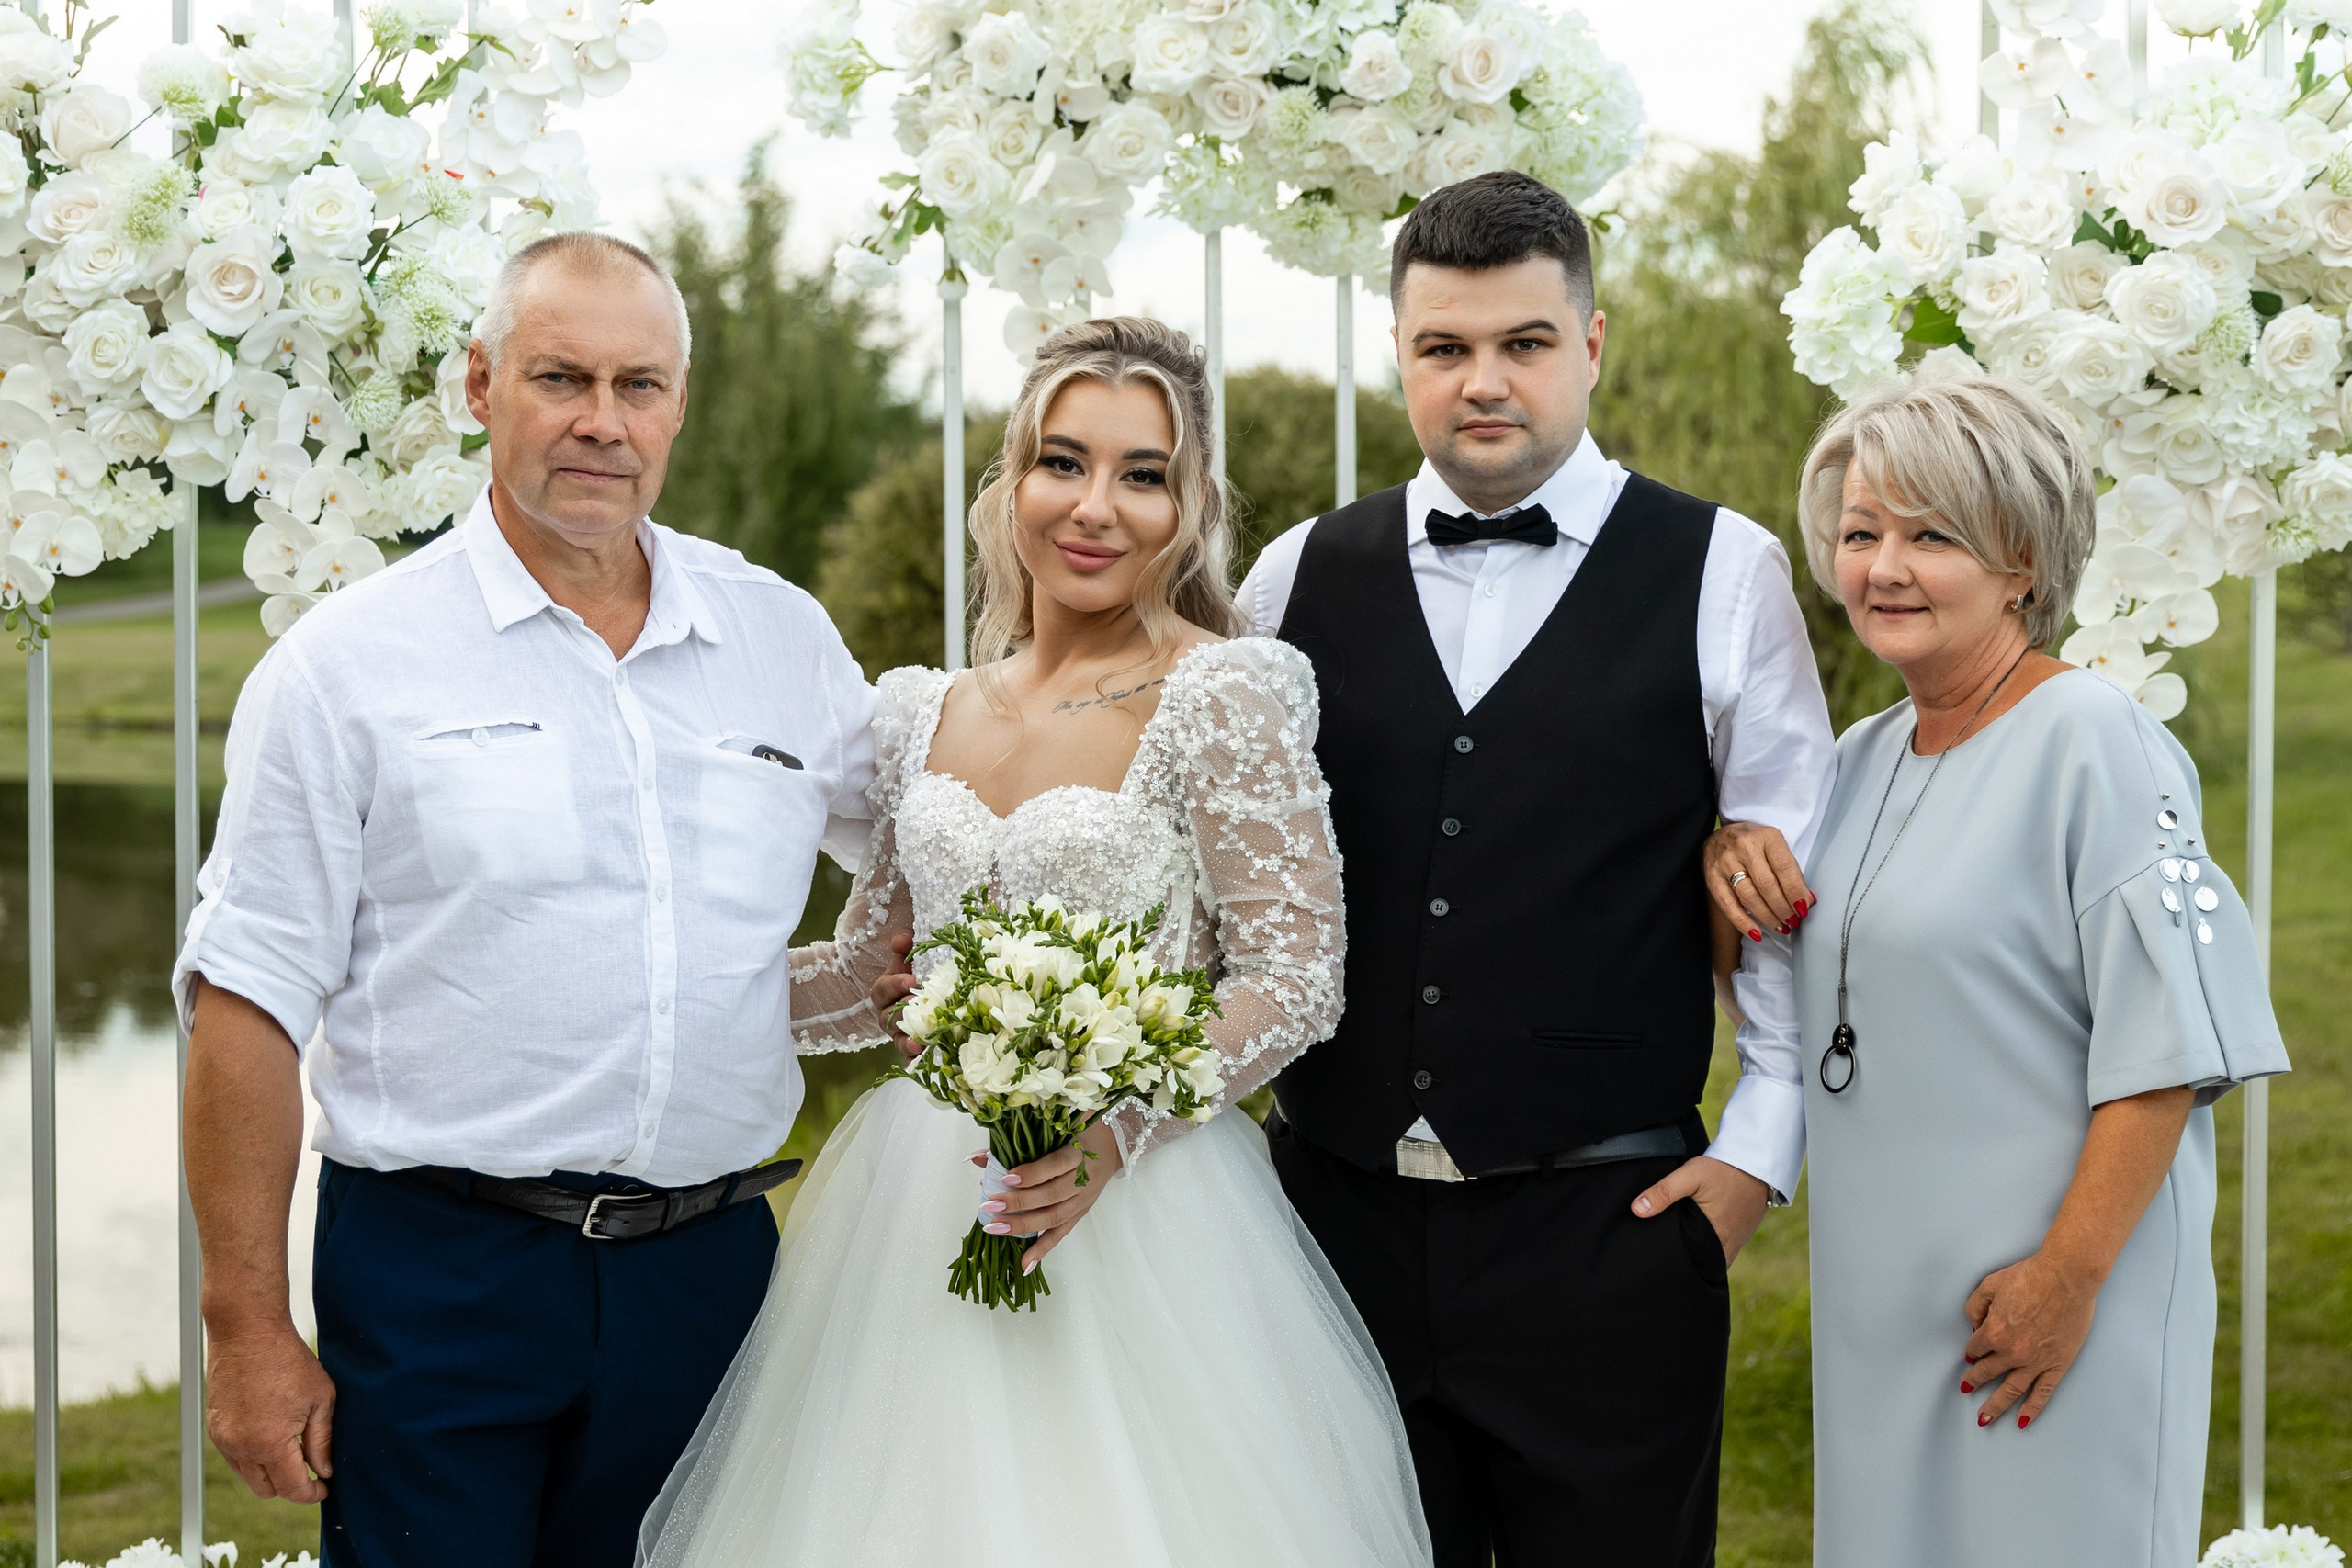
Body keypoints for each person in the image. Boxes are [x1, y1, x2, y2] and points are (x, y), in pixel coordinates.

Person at [637, 318, 1432, 1568]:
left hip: (1140, 1214)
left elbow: (1295, 977)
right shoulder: (918, 712)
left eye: (1143, 473)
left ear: (1191, 504)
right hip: (911, 1205)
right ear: (1011, 480)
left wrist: (1118, 1126)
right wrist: (648, 990)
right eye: (1064, 462)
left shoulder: (1223, 694)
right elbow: (864, 980)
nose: (1096, 508)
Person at [175, 232, 878, 1567]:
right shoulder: (345, 669)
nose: (603, 425)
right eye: (562, 379)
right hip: (444, 1274)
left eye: (641, 386)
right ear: (479, 387)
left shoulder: (780, 638)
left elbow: (928, 851)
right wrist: (247, 1333)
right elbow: (247, 1004)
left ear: (679, 403)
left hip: (712, 1275)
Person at [1234, 169, 1839, 1564]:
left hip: (1607, 1236)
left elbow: (1790, 892)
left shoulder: (1720, 571)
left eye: (1524, 343)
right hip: (1334, 1234)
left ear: (1592, 345)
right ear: (1399, 357)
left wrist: (1754, 1160)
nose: (1483, 383)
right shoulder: (1292, 577)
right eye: (1445, 349)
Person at [1704, 373, 2290, 1568]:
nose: (1885, 568)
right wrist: (1728, 858)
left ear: (2023, 560)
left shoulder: (2096, 742)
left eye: (1933, 537)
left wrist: (2066, 1279)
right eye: (1862, 533)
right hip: (1889, 1298)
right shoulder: (1859, 760)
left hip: (2058, 1299)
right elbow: (1796, 973)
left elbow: (2169, 1046)